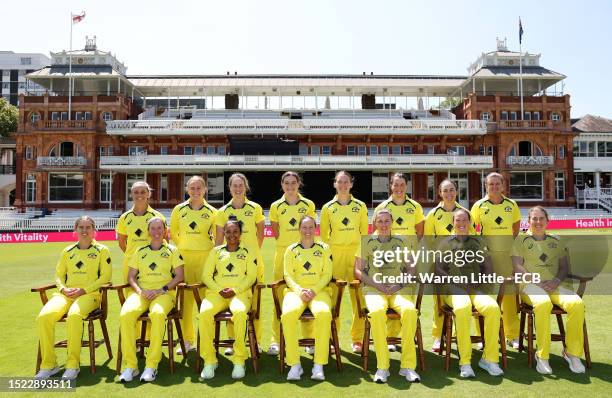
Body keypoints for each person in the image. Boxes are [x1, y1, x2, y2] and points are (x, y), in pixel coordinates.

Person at [511, 206, 586, 374]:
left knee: (577, 304)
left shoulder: (557, 240)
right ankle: (542, 355)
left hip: (556, 286)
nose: (537, 222)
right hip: (531, 286)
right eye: (534, 219)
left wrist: (556, 280)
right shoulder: (520, 241)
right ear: (528, 221)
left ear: (547, 221)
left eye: (541, 218)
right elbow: (517, 266)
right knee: (543, 303)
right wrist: (535, 280)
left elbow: (564, 268)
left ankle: (571, 353)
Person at [35, 216, 112, 380]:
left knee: (75, 315)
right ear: (75, 230)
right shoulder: (67, 251)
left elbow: (105, 277)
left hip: (90, 295)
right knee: (44, 317)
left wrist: (84, 290)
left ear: (94, 230)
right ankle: (49, 365)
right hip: (66, 294)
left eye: (88, 227)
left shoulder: (102, 250)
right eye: (81, 227)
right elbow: (58, 275)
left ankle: (72, 365)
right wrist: (62, 289)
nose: (84, 231)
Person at [435, 208, 504, 377]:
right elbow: (438, 269)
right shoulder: (445, 243)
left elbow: (488, 266)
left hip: (475, 288)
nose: (461, 224)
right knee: (463, 308)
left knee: (493, 309)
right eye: (457, 220)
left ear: (470, 222)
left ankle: (489, 359)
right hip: (454, 289)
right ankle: (465, 362)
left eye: (464, 220)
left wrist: (479, 282)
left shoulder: (478, 241)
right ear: (453, 223)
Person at [354, 209, 420, 383]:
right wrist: (377, 285)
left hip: (398, 288)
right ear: (375, 222)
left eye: (386, 221)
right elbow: (358, 271)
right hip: (375, 289)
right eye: (380, 221)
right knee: (376, 313)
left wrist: (398, 284)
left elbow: (412, 267)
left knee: (410, 311)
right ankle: (383, 366)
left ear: (392, 222)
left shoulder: (403, 240)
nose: (383, 225)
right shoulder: (366, 241)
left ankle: (408, 366)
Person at [118, 217, 184, 383]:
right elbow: (131, 276)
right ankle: (131, 366)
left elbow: (180, 276)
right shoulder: (140, 251)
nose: (156, 232)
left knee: (157, 314)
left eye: (159, 228)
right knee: (126, 314)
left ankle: (151, 365)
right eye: (153, 228)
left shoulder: (172, 250)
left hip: (164, 294)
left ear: (165, 231)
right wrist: (140, 291)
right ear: (148, 231)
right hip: (142, 293)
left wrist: (161, 289)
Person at [199, 218, 257, 380]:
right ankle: (210, 360)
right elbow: (206, 275)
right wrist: (219, 290)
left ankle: (239, 360)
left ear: (240, 234)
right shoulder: (216, 251)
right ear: (223, 233)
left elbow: (251, 277)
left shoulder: (247, 251)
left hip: (239, 294)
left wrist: (235, 290)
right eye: (228, 232)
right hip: (217, 294)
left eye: (235, 232)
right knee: (204, 313)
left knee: (239, 313)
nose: (232, 235)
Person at [374, 172, 424, 351]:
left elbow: (420, 232)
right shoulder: (383, 206)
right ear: (390, 186)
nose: (399, 188)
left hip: (408, 257)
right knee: (388, 294)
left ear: (407, 186)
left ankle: (406, 338)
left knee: (405, 296)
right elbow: (378, 231)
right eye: (396, 185)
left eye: (402, 185)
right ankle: (391, 338)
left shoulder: (415, 207)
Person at [215, 173, 265, 352]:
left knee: (255, 302)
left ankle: (256, 341)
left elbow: (260, 235)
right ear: (229, 188)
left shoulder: (255, 208)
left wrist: (251, 253)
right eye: (234, 186)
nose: (237, 189)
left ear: (246, 187)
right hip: (230, 263)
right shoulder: (222, 212)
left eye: (240, 185)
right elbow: (219, 238)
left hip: (252, 261)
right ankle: (232, 339)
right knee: (231, 297)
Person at [268, 171, 316, 355]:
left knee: (306, 294)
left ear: (299, 184)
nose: (290, 186)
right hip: (282, 255)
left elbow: (309, 230)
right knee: (278, 298)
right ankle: (276, 341)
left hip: (304, 255)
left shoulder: (308, 205)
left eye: (293, 183)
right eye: (286, 183)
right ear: (282, 185)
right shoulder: (275, 206)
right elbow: (276, 232)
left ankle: (309, 340)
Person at [320, 170, 368, 353]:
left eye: (345, 182)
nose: (342, 185)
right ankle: (332, 339)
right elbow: (324, 236)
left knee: (358, 298)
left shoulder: (360, 206)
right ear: (334, 184)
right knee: (334, 298)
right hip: (336, 255)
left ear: (351, 184)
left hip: (356, 255)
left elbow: (365, 233)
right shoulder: (327, 208)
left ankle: (357, 339)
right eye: (339, 182)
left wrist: (360, 255)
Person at [471, 172, 521, 348]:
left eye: (497, 184)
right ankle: (483, 336)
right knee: (483, 296)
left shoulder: (511, 205)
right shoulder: (479, 206)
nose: (494, 187)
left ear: (503, 185)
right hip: (486, 258)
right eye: (490, 184)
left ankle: (512, 335)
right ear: (486, 186)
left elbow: (515, 229)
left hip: (506, 257)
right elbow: (472, 230)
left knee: (509, 297)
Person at [424, 179, 474, 352]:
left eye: (452, 190)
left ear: (457, 191)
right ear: (439, 193)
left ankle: (461, 336)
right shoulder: (433, 214)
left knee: (465, 300)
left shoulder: (465, 212)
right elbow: (428, 241)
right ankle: (438, 337)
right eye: (445, 190)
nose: (449, 194)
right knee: (439, 303)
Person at [281, 216, 333, 381]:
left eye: (311, 227)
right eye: (304, 227)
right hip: (295, 293)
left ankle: (319, 365)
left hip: (319, 292)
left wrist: (314, 289)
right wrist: (298, 290)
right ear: (299, 229)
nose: (307, 231)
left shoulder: (324, 248)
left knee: (324, 314)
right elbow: (287, 274)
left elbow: (327, 274)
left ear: (315, 228)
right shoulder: (291, 249)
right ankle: (295, 365)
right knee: (288, 315)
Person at [170, 175, 217, 355]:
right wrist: (185, 247)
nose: (196, 191)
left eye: (199, 188)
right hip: (185, 260)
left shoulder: (213, 211)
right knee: (186, 303)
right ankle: (187, 340)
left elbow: (216, 236)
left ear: (205, 190)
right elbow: (174, 233)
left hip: (205, 259)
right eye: (192, 188)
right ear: (187, 189)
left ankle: (207, 339)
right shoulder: (178, 209)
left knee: (207, 302)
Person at [116, 181, 165, 282]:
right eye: (136, 192)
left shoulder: (158, 217)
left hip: (152, 262)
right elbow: (121, 243)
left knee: (151, 293)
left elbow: (164, 241)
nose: (139, 195)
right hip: (130, 263)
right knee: (130, 294)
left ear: (148, 194)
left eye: (143, 192)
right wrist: (132, 255)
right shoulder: (124, 217)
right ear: (131, 194)